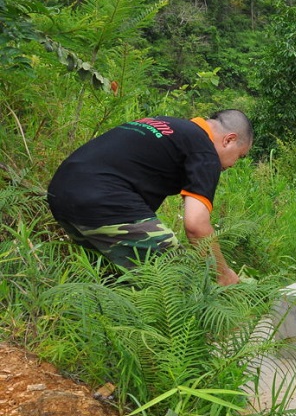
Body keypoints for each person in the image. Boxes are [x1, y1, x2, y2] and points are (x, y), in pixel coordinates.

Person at [47, 109, 253, 286]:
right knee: (178, 278)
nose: (234, 164)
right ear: (229, 140)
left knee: (112, 279)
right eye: (240, 155)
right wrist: (223, 274)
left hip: (61, 194)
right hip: (103, 200)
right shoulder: (204, 150)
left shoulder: (168, 124)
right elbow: (196, 226)